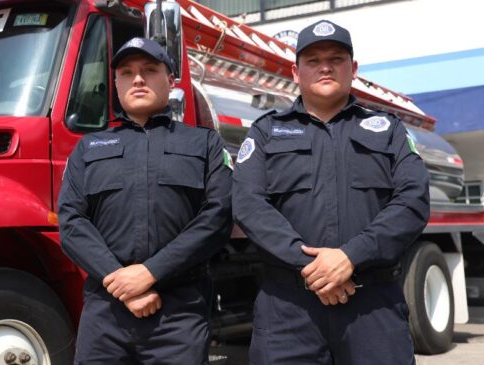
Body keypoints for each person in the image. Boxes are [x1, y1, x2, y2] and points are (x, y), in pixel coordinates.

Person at [233, 20, 429, 364]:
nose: (325, 66)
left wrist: (351, 257)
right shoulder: (266, 131)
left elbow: (412, 202)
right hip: (288, 310)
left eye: (336, 58)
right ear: (296, 72)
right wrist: (313, 266)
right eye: (313, 60)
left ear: (353, 69)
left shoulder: (388, 130)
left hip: (372, 304)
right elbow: (249, 205)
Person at [58, 37, 233, 364]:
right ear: (116, 84)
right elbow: (71, 223)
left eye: (150, 70)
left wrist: (150, 273)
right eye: (127, 72)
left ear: (170, 81)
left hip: (178, 313)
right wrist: (121, 282)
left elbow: (217, 218)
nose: (137, 79)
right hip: (106, 311)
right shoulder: (88, 148)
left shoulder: (204, 143)